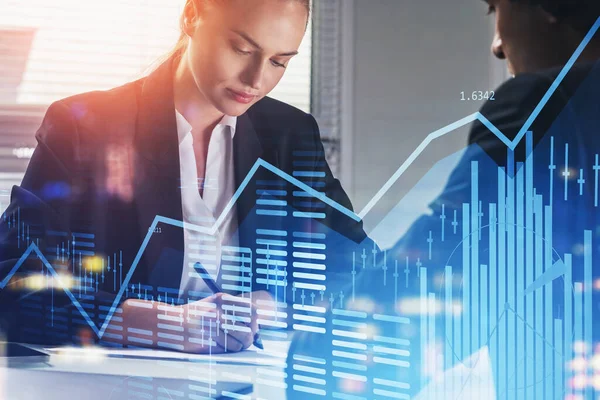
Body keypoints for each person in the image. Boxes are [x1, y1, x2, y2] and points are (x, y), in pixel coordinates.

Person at [0, 0, 369, 354]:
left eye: (278, 62)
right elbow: (14, 283)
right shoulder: (83, 126)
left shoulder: (289, 135)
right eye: (241, 49)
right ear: (192, 15)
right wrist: (166, 322)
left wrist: (267, 306)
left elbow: (361, 264)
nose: (256, 79)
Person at [286, 1, 600, 398]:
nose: (498, 46)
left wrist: (311, 352)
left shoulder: (544, 106)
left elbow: (433, 281)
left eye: (495, 9)